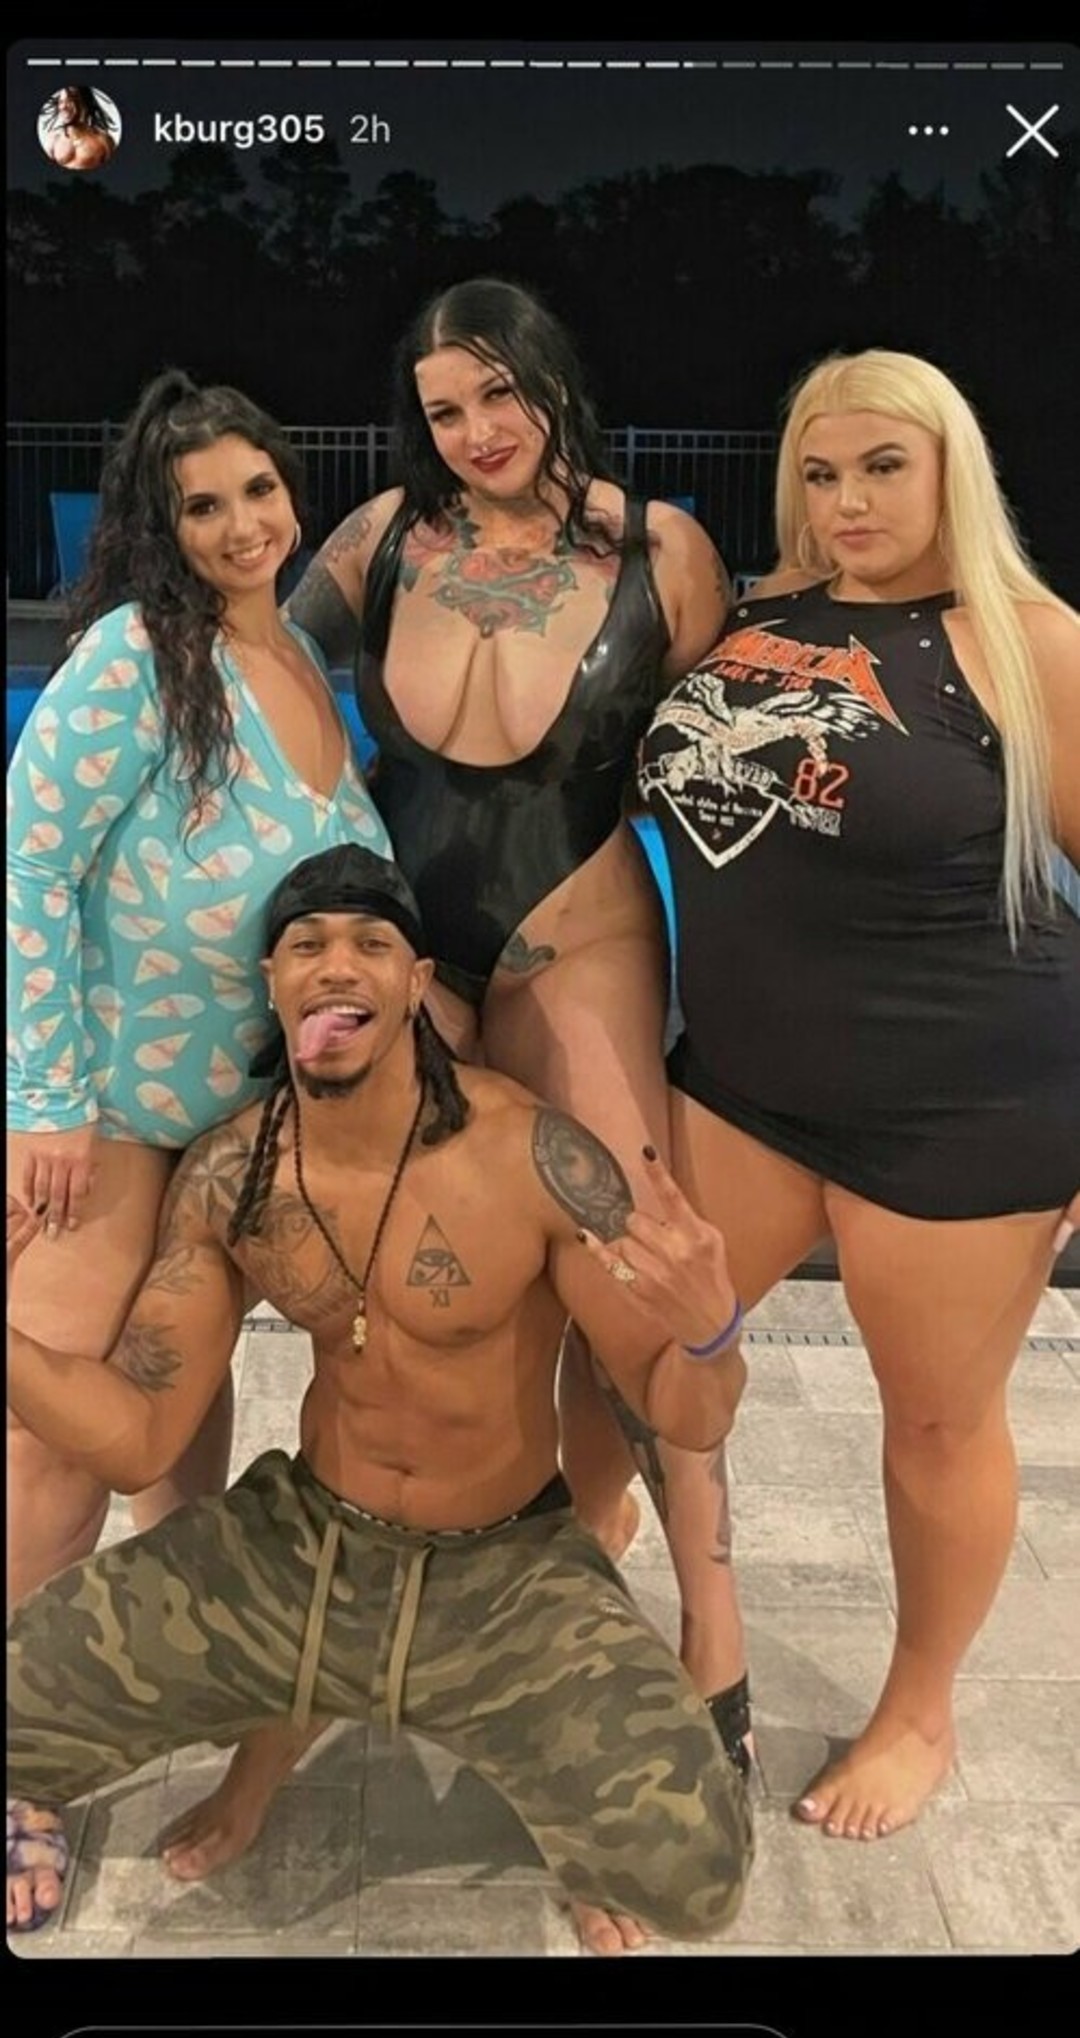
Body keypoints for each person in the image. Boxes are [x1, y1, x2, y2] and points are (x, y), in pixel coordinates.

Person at [6, 843, 752, 1957]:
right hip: (307, 1547)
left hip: (507, 1567)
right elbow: (136, 1437)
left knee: (693, 1874)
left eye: (371, 942)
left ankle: (536, 1774)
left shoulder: (531, 1156)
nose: (337, 963)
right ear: (273, 984)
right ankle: (290, 1715)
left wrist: (710, 1330)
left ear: (417, 982)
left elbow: (681, 1412)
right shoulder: (234, 1178)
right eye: (306, 944)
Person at [287, 275, 755, 1798]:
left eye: (500, 392)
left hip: (578, 932)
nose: (478, 431)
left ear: (552, 380)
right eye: (444, 409)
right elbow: (248, 677)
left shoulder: (660, 551)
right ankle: (467, 1578)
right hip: (412, 953)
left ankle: (716, 1631)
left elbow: (741, 763)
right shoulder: (379, 542)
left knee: (635, 1263)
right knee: (425, 1285)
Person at [639, 347, 1080, 1842]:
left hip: (963, 1105)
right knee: (643, 1342)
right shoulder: (761, 615)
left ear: (954, 466)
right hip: (744, 1086)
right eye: (821, 473)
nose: (848, 502)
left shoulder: (1029, 642)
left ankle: (921, 1707)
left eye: (885, 466)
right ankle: (656, 1590)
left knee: (938, 1426)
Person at [7, 368, 393, 1614]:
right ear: (160, 527)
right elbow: (29, 865)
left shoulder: (298, 657)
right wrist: (46, 1103)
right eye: (202, 506)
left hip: (234, 1131)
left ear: (293, 490)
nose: (242, 525)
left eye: (258, 489)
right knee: (55, 1430)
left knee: (175, 1410)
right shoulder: (139, 654)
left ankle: (155, 1665)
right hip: (111, 1120)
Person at [39, 85, 117, 172]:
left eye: (70, 101)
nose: (63, 107)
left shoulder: (103, 141)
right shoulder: (53, 140)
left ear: (85, 104)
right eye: (61, 102)